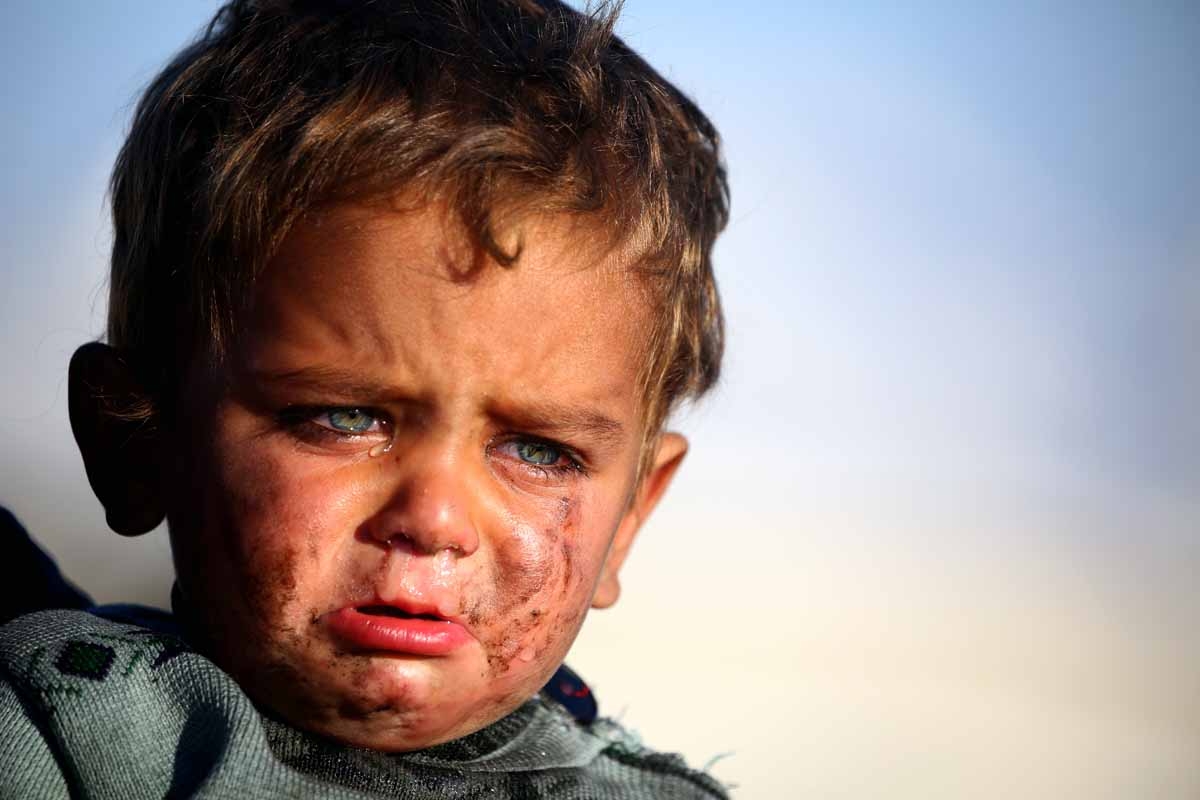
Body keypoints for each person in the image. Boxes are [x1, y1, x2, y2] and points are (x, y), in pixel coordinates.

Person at [0, 0, 730, 796]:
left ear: (628, 518)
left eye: (539, 450)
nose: (435, 519)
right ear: (132, 441)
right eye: (345, 418)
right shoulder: (59, 734)